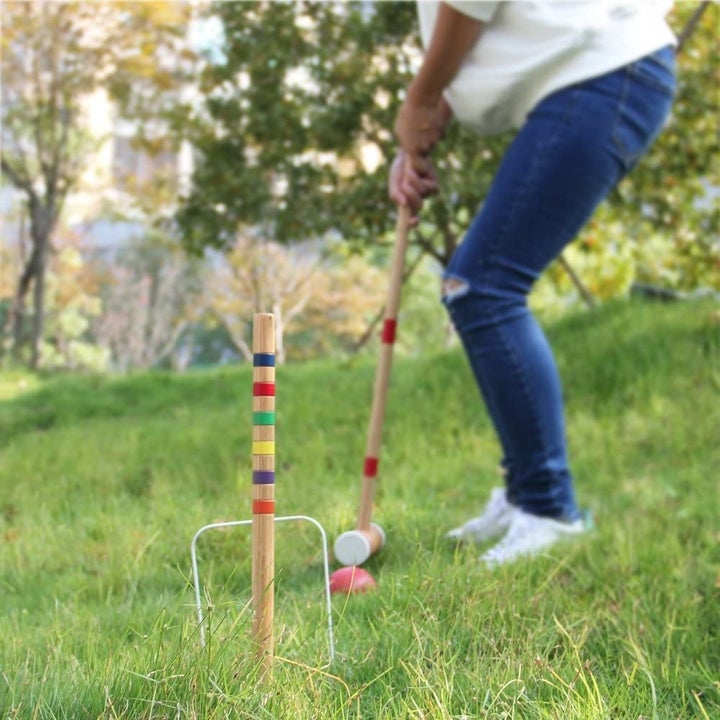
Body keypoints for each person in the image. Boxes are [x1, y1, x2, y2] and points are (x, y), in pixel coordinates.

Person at [389, 0, 677, 566]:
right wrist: (420, 128)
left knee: (483, 286)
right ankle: (526, 493)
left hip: (604, 74)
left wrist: (419, 100)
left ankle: (549, 510)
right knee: (477, 286)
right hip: (595, 76)